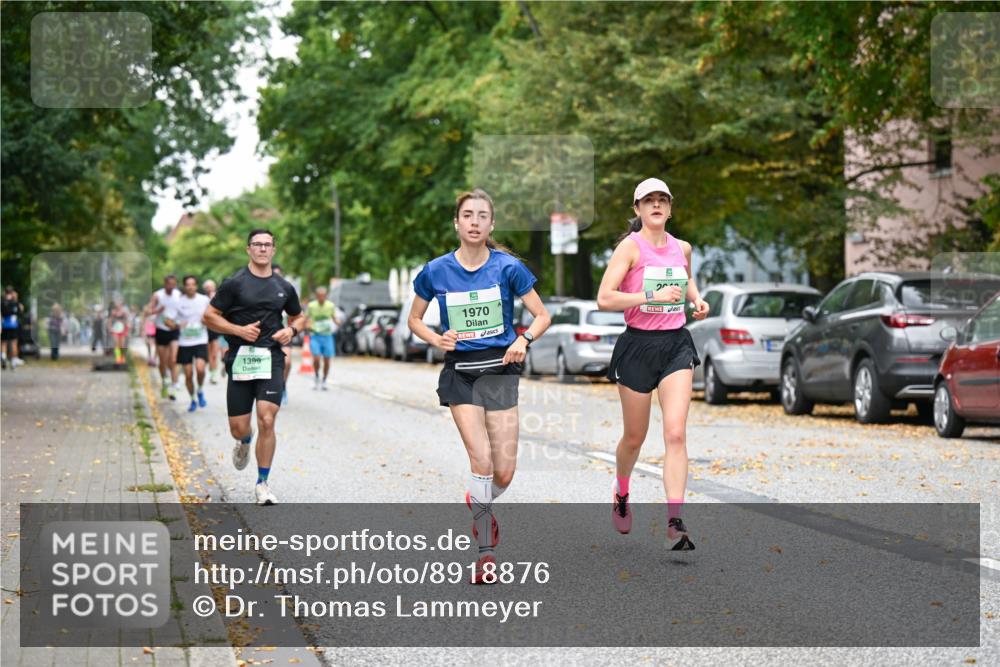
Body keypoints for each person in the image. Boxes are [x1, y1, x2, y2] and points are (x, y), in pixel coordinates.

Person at [408, 189, 550, 583]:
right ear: (457, 223)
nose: (474, 222)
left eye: (482, 216)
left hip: (500, 370)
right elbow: (414, 320)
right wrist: (436, 339)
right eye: (467, 215)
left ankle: (481, 497)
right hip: (462, 374)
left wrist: (523, 340)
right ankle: (485, 552)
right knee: (482, 461)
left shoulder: (507, 268)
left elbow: (541, 315)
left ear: (490, 224)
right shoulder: (435, 270)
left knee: (504, 472)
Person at [596, 178, 710, 551]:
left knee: (675, 433)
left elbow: (686, 278)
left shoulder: (683, 247)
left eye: (663, 200)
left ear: (670, 207)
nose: (656, 206)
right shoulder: (630, 249)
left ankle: (675, 522)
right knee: (635, 436)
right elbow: (604, 298)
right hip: (638, 347)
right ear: (638, 209)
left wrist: (696, 298)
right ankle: (622, 491)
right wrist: (649, 295)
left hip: (676, 345)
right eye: (649, 201)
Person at [203, 229, 304, 506]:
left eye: (267, 245)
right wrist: (238, 329)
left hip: (271, 358)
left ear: (273, 250)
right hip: (240, 358)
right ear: (249, 249)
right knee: (239, 427)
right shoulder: (234, 284)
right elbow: (209, 316)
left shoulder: (284, 286)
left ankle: (262, 483)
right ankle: (244, 441)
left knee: (267, 419)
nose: (262, 249)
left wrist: (291, 331)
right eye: (257, 245)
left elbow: (299, 316)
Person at [169, 275, 211, 412]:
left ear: (196, 286)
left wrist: (207, 321)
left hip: (200, 340)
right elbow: (167, 320)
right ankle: (193, 398)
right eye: (188, 284)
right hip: (185, 342)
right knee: (188, 374)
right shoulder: (178, 302)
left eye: (193, 284)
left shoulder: (204, 300)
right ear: (184, 286)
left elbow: (214, 315)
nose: (191, 287)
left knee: (200, 369)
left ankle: (200, 390)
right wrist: (176, 325)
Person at [147, 275, 183, 399]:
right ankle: (164, 381)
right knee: (162, 361)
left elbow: (183, 311)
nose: (171, 287)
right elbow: (148, 311)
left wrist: (179, 323)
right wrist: (157, 311)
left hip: (174, 329)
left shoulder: (178, 295)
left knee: (173, 359)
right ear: (165, 284)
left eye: (174, 284)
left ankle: (173, 385)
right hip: (161, 330)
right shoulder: (158, 295)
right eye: (169, 284)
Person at [304, 285, 339, 390]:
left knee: (327, 360)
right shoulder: (311, 306)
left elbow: (334, 318)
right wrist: (307, 325)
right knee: (316, 358)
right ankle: (316, 376)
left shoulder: (330, 306)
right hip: (315, 335)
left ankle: (324, 380)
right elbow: (306, 319)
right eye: (319, 296)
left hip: (327, 336)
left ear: (326, 296)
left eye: (323, 296)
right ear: (316, 296)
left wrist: (338, 322)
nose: (321, 298)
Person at [271, 264, 293, 405]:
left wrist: (291, 329)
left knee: (287, 362)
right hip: (269, 336)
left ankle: (283, 385)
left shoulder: (287, 292)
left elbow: (295, 315)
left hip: (284, 335)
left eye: (279, 274)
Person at [202, 279, 222, 384]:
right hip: (205, 329)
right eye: (207, 287)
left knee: (215, 353)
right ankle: (212, 371)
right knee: (209, 353)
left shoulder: (218, 297)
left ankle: (214, 374)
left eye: (211, 286)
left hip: (215, 328)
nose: (209, 289)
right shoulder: (201, 299)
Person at [2, 286, 23, 369]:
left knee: (3, 343)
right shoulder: (15, 302)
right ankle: (13, 361)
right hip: (14, 325)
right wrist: (16, 299)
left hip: (4, 325)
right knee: (14, 343)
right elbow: (21, 311)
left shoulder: (2, 302)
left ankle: (3, 357)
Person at [107, 298, 131, 365]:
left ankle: (122, 357)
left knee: (122, 344)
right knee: (116, 344)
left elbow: (127, 320)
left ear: (121, 304)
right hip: (115, 329)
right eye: (117, 303)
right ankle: (118, 358)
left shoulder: (124, 312)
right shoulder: (113, 312)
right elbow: (109, 320)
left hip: (123, 329)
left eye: (119, 303)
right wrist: (110, 328)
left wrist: (128, 325)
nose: (118, 304)